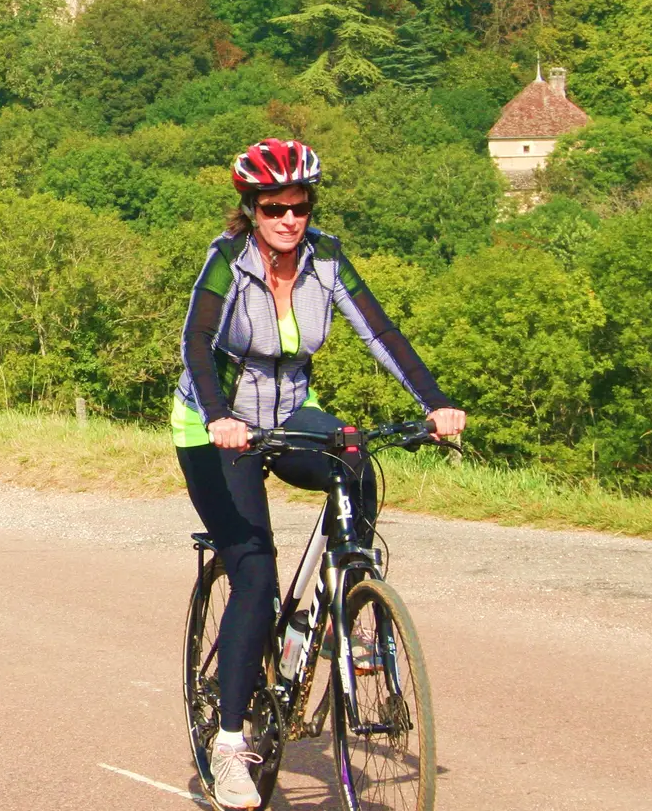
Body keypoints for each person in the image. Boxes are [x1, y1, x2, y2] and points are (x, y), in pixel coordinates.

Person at [173, 140, 466, 810]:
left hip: (289, 412)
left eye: (299, 208)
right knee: (253, 571)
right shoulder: (227, 262)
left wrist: (435, 402)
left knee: (354, 456)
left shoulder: (326, 260)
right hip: (215, 427)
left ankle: (346, 598)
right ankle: (229, 742)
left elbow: (382, 334)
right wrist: (219, 415)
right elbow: (196, 341)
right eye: (274, 208)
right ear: (251, 209)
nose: (288, 220)